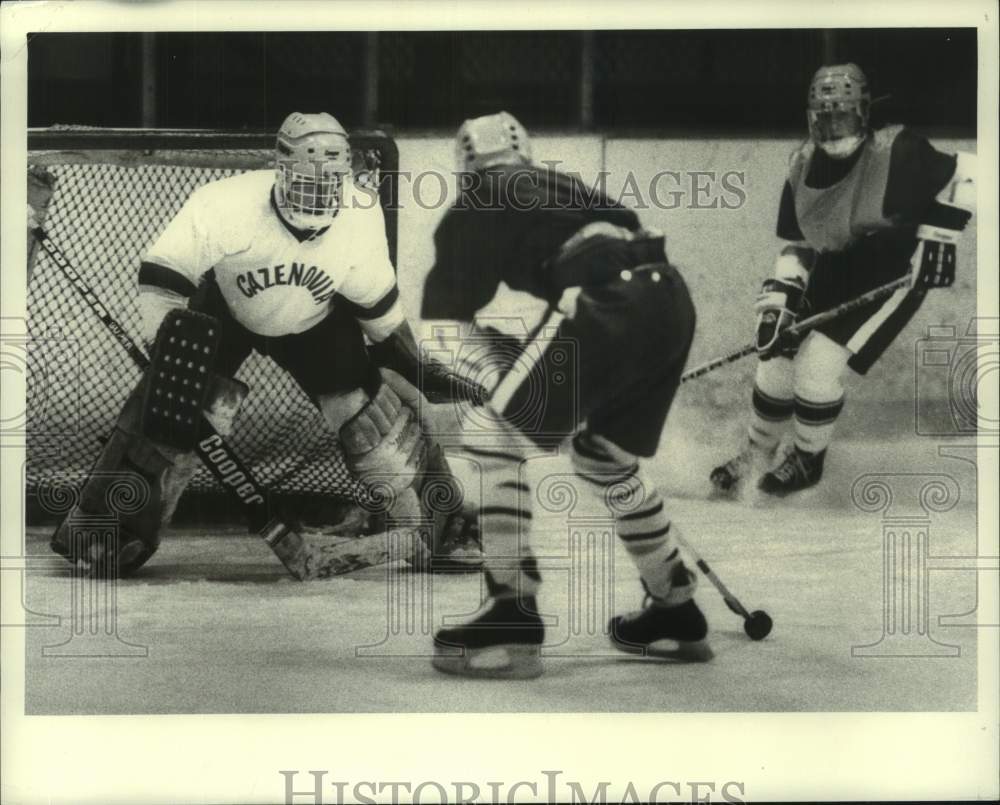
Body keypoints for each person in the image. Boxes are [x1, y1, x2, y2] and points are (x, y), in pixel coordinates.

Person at [50, 112, 482, 577]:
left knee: (373, 423)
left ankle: (447, 524)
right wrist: (167, 354)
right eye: (306, 179)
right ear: (280, 171)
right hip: (227, 311)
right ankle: (108, 527)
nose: (320, 192)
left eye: (331, 181)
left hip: (317, 321)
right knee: (171, 414)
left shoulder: (360, 213)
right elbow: (161, 277)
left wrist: (415, 366)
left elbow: (379, 314)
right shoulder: (226, 204)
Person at [396, 111, 712, 679]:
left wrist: (501, 382)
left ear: (466, 165)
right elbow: (609, 245)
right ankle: (675, 606)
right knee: (603, 457)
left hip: (602, 303)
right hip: (669, 301)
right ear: (525, 153)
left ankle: (511, 610)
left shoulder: (475, 201)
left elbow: (443, 332)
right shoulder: (563, 186)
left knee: (493, 433)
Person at [710, 64, 977, 497]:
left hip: (894, 273)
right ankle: (757, 454)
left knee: (817, 365)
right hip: (836, 269)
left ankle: (808, 458)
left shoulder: (897, 149)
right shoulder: (800, 166)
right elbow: (798, 245)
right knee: (776, 360)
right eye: (822, 116)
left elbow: (972, 172)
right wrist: (781, 302)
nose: (832, 127)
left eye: (842, 115)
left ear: (864, 113)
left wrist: (940, 236)